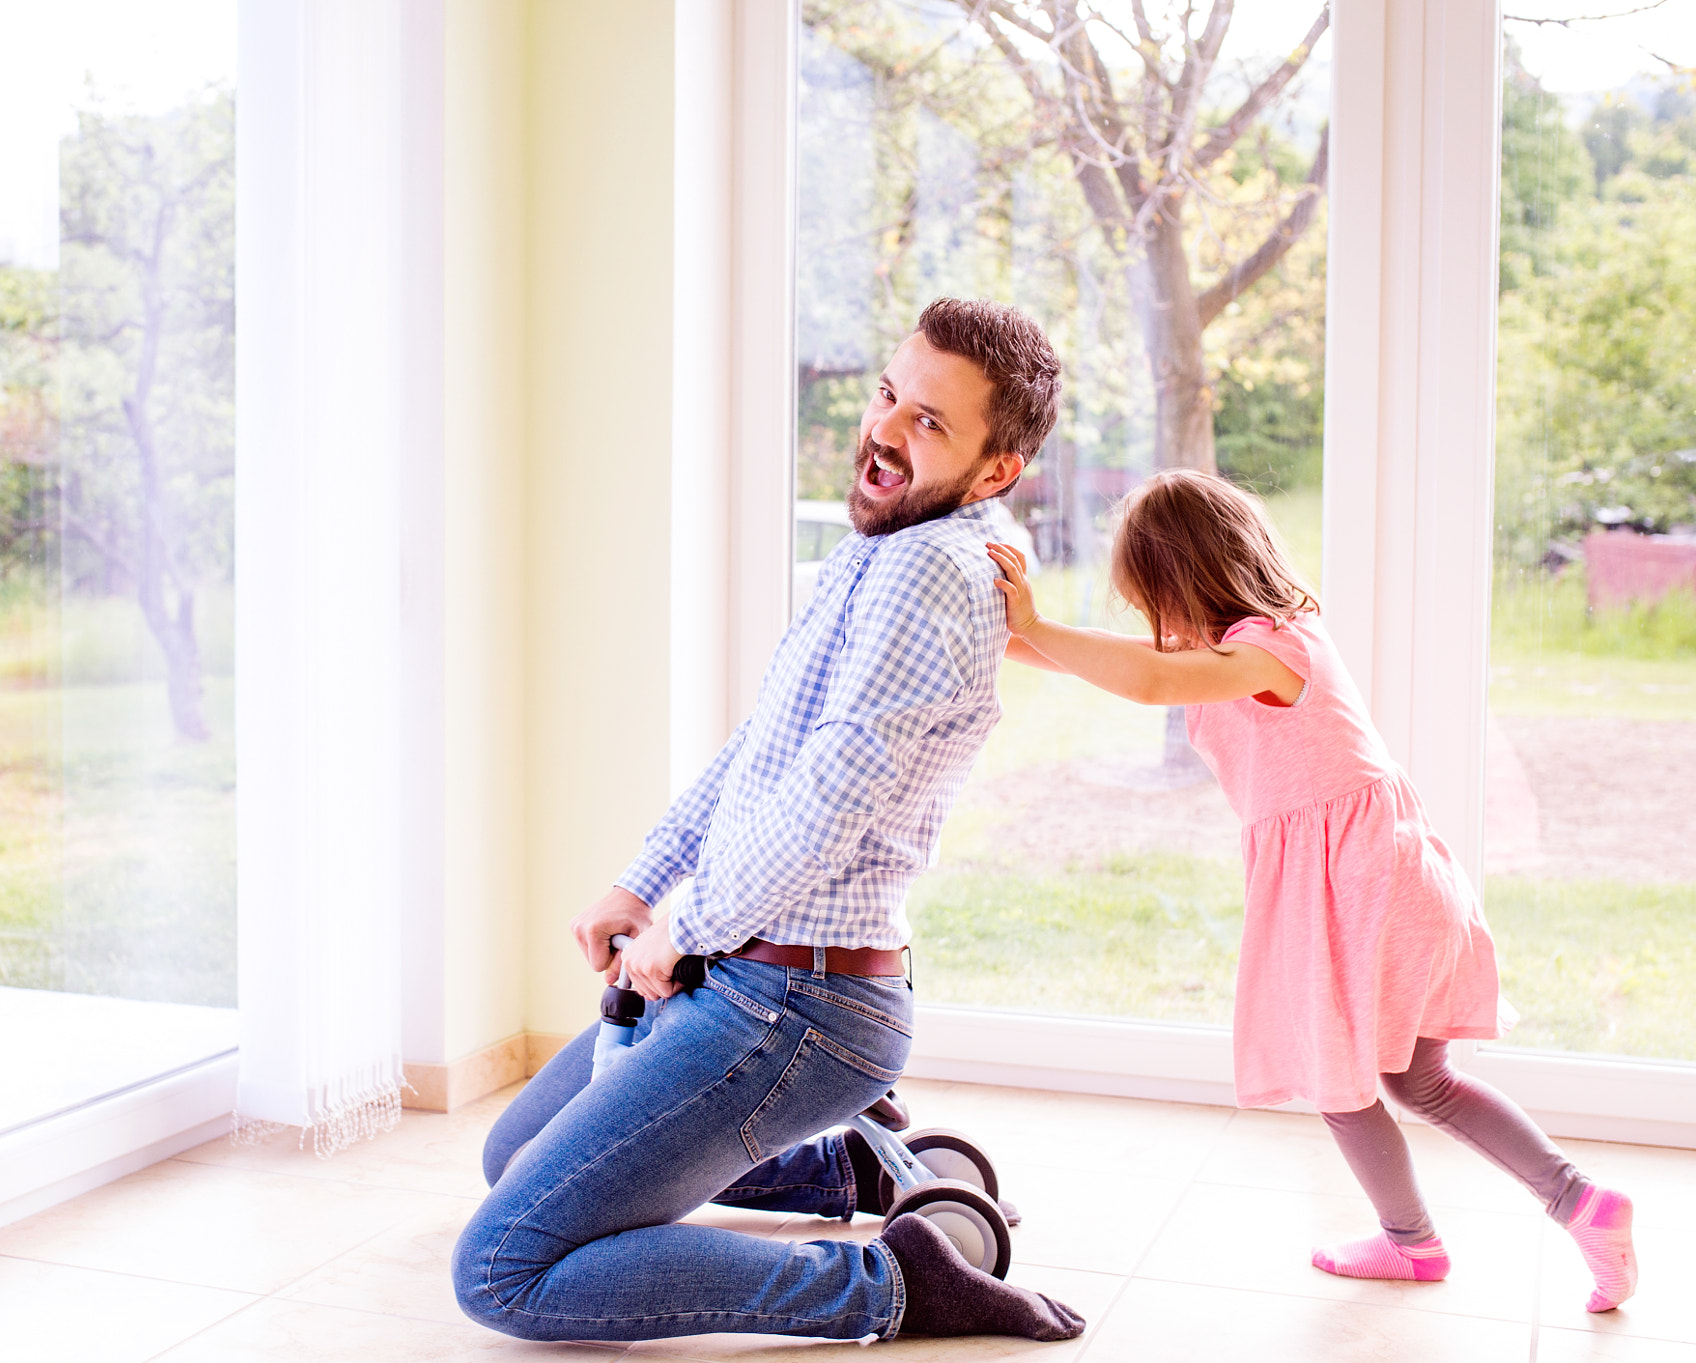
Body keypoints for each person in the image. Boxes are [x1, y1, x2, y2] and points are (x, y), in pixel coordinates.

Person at [451, 299, 1086, 1346]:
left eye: (929, 422)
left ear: (994, 470)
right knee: (510, 1162)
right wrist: (643, 879)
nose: (885, 428)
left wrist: (684, 926)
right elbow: (763, 751)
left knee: (503, 1270)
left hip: (795, 1006)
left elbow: (824, 800)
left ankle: (892, 1287)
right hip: (750, 979)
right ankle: (843, 1163)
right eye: (889, 394)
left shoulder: (928, 571)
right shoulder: (881, 550)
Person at [985, 468, 1638, 1313]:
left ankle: (1416, 1242)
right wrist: (1005, 633)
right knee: (1422, 1082)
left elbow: (1144, 680)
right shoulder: (1265, 635)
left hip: (1358, 891)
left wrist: (1033, 621)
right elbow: (1111, 666)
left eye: (1151, 596)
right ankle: (1579, 1201)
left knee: (1340, 1079)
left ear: (1180, 580)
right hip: (1392, 880)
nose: (1154, 620)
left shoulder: (1268, 651)